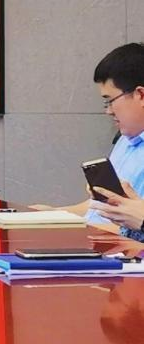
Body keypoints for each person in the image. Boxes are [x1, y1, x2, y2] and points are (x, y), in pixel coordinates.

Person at [40, 44, 144, 227]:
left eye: (110, 101)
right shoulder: (124, 141)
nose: (108, 111)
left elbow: (133, 223)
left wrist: (66, 229)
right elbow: (100, 209)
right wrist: (51, 214)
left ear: (140, 95)